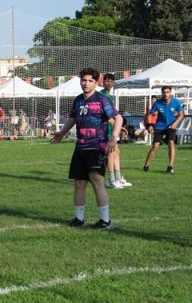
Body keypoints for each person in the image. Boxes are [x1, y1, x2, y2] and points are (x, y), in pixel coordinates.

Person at [51, 67, 122, 230]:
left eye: (90, 81)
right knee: (79, 183)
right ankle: (79, 218)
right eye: (84, 80)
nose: (86, 83)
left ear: (96, 83)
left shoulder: (102, 99)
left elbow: (118, 118)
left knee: (97, 182)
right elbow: (73, 119)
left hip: (96, 147)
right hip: (80, 147)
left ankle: (105, 221)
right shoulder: (78, 100)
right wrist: (62, 133)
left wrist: (114, 139)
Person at [143, 86, 184, 173]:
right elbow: (150, 114)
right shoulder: (157, 103)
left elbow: (181, 114)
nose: (166, 94)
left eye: (167, 92)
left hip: (170, 127)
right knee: (155, 146)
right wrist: (150, 125)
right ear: (162, 93)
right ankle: (146, 165)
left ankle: (170, 166)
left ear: (170, 92)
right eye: (164, 92)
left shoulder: (176, 102)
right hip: (159, 127)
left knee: (171, 143)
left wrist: (175, 123)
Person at [102, 74, 132, 189]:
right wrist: (117, 127)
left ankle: (118, 178)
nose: (109, 83)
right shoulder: (102, 96)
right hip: (106, 129)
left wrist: (119, 127)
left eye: (111, 81)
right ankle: (111, 179)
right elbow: (106, 116)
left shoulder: (110, 96)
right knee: (110, 153)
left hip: (112, 129)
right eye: (107, 81)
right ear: (103, 82)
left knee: (116, 152)